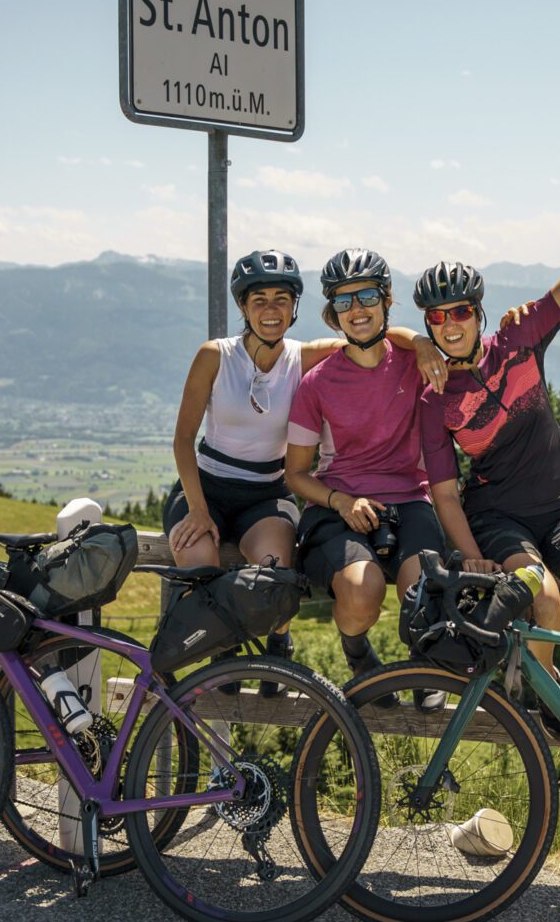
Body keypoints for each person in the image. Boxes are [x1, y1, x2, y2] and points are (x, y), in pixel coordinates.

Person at [416, 140, 560, 731]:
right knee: (543, 601)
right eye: (435, 318)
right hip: (498, 518)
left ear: (478, 311)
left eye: (459, 311)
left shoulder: (520, 340)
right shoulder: (433, 398)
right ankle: (544, 710)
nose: (449, 324)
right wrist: (471, 554)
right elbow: (444, 493)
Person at [165, 249, 445, 694]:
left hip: (264, 492)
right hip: (207, 488)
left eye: (281, 299)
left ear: (296, 307)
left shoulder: (303, 356)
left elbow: (370, 332)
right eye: (259, 300)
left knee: (277, 578)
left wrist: (423, 341)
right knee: (202, 571)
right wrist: (197, 511)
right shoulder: (215, 356)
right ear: (243, 307)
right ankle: (226, 654)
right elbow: (182, 440)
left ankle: (278, 642)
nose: (271, 310)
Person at [285, 249, 448, 711]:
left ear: (387, 300)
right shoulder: (316, 384)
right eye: (343, 301)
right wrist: (339, 501)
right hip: (337, 504)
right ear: (332, 313)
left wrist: (419, 342)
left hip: (408, 499)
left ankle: (424, 663)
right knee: (361, 590)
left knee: (425, 592)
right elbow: (295, 473)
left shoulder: (414, 361)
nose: (357, 309)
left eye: (367, 296)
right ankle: (357, 655)